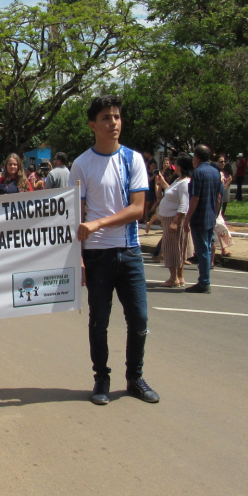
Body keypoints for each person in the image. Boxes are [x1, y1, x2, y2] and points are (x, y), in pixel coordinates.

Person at [68, 95, 159, 406]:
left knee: (139, 320)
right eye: (106, 118)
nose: (114, 123)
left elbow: (138, 209)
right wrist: (78, 257)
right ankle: (101, 379)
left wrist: (99, 223)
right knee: (99, 321)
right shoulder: (81, 164)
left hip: (130, 251)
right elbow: (75, 217)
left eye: (117, 117)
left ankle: (135, 378)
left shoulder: (132, 160)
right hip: (97, 256)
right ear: (93, 125)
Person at [184, 145, 222, 293]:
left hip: (199, 217)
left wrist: (187, 218)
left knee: (202, 251)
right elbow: (219, 197)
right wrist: (216, 212)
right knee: (206, 247)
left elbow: (195, 198)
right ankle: (204, 280)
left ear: (197, 157)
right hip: (210, 216)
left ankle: (204, 282)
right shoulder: (215, 172)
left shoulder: (198, 173)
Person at [157, 153, 193, 287]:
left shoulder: (185, 183)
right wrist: (163, 183)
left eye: (176, 163)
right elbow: (171, 193)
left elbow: (184, 204)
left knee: (172, 248)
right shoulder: (178, 180)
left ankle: (174, 278)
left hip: (173, 218)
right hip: (168, 218)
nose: (174, 166)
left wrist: (175, 222)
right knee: (176, 247)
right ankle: (179, 276)